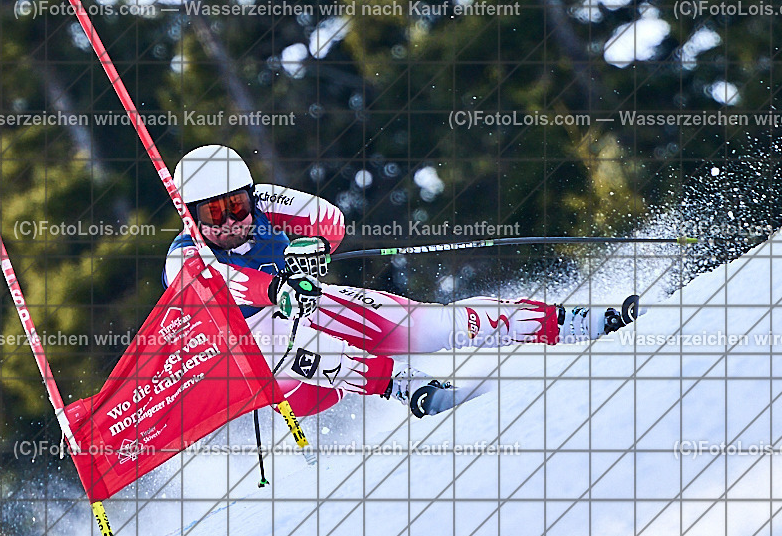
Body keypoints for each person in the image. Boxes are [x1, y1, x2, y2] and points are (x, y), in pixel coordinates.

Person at [163, 145, 634, 418]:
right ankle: (405, 385)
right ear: (191, 214)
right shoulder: (183, 258)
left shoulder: (265, 203)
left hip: (313, 307)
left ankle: (570, 322)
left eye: (237, 207)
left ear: (249, 196)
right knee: (279, 337)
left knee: (427, 326)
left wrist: (313, 248)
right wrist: (275, 288)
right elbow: (222, 285)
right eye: (213, 213)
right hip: (273, 373)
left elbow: (326, 217)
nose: (229, 221)